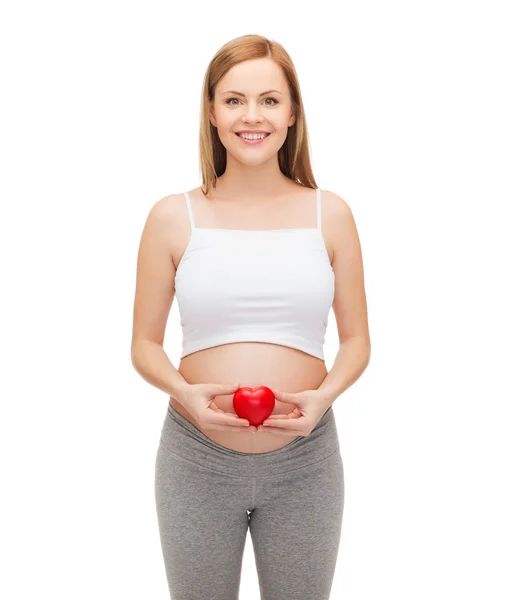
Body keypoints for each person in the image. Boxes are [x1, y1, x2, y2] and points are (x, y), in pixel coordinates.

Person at [131, 34, 371, 600]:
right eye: (234, 100)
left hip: (306, 463)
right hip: (196, 458)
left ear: (292, 115)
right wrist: (184, 393)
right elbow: (143, 344)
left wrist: (323, 399)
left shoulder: (329, 214)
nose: (252, 116)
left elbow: (357, 340)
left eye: (269, 99)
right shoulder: (172, 216)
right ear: (212, 113)